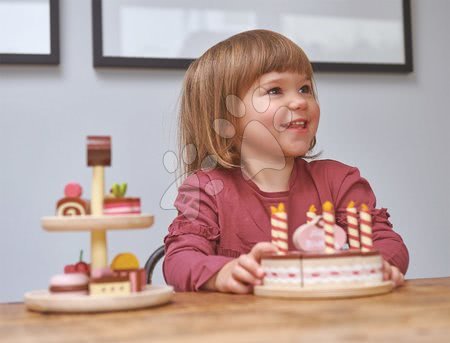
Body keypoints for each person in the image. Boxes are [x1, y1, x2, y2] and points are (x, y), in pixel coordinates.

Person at [162, 29, 408, 293]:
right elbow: (179, 260)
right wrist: (221, 273)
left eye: (305, 88)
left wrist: (378, 265)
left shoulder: (339, 181)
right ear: (225, 118)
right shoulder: (206, 190)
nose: (300, 101)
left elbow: (388, 243)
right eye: (275, 90)